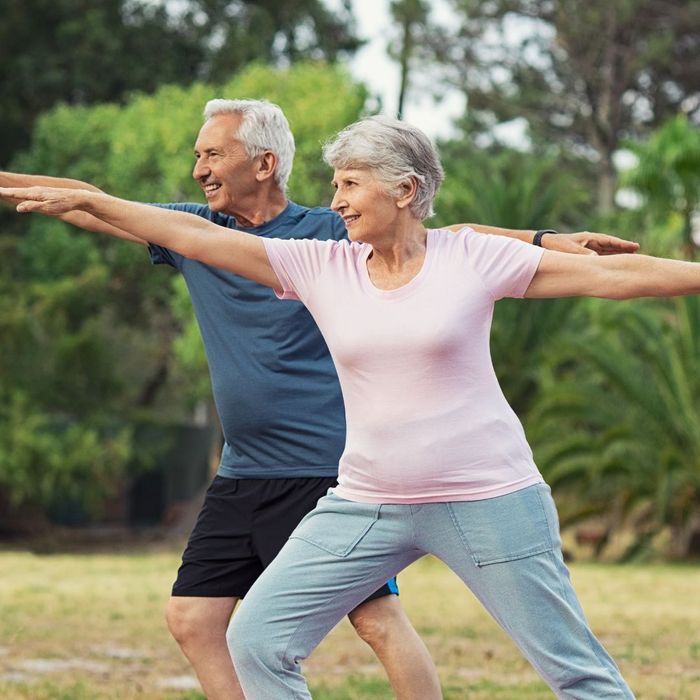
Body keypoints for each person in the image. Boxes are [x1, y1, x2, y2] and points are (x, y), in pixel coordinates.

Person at [0, 103, 639, 700]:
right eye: (198, 156)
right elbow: (96, 205)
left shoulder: (330, 236)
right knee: (197, 618)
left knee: (377, 622)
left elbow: (445, 237)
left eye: (213, 155)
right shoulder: (198, 233)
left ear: (264, 163)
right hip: (244, 467)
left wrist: (544, 238)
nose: (199, 170)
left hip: (327, 468)